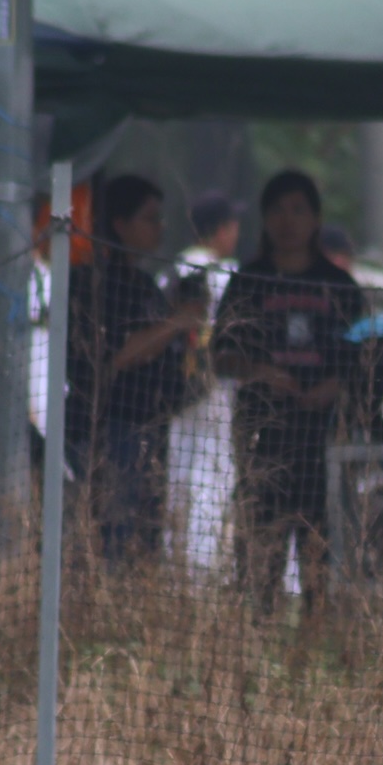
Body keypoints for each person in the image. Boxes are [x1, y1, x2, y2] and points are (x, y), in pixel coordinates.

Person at [213, 171, 365, 606]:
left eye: (298, 210)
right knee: (261, 533)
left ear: (316, 219)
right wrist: (260, 371)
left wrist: (332, 388)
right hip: (263, 430)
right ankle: (259, 621)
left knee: (319, 534)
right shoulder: (249, 279)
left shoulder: (340, 287)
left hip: (324, 433)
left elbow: (366, 362)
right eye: (277, 210)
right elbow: (221, 353)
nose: (288, 221)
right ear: (263, 219)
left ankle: (315, 628)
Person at [66, 175, 203, 567]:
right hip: (111, 429)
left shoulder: (144, 284)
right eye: (150, 218)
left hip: (150, 427)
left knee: (144, 539)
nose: (159, 228)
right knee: (114, 533)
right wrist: (175, 323)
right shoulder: (94, 283)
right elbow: (117, 356)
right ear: (121, 224)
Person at [168, 191, 243, 581]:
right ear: (219, 229)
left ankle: (174, 558)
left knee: (179, 469)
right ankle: (203, 562)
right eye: (232, 226)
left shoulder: (176, 265)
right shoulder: (222, 272)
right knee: (214, 471)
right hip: (212, 383)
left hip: (179, 387)